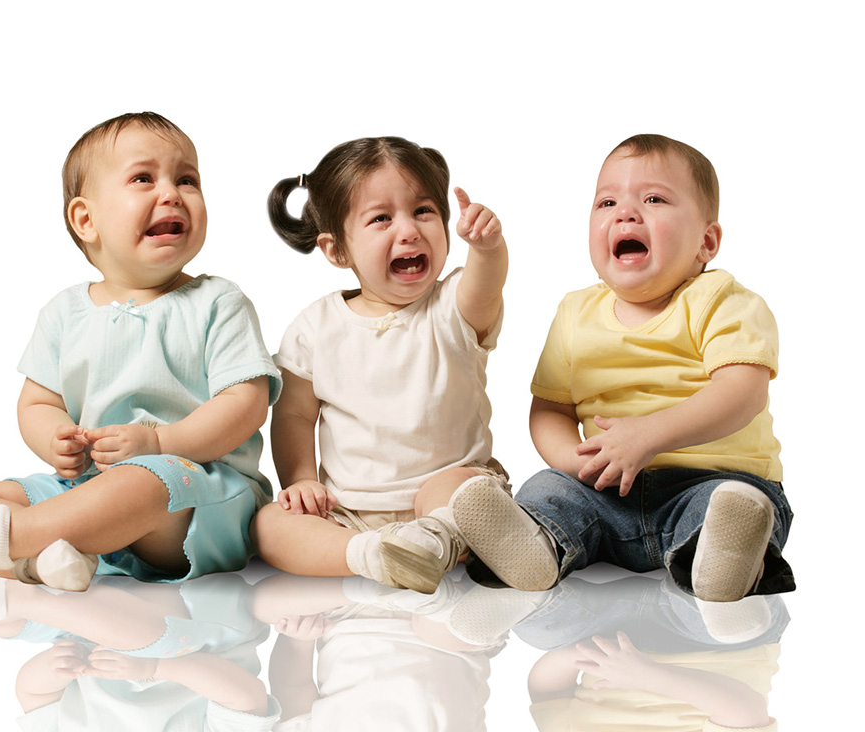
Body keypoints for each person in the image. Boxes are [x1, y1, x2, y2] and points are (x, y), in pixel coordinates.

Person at [0, 112, 281, 592]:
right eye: (143, 179)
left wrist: (160, 444)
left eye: (187, 180)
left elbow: (246, 404)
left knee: (138, 483)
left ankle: (14, 537)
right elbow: (38, 403)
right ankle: (48, 561)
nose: (171, 193)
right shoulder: (65, 312)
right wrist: (56, 440)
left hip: (197, 496)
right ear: (86, 219)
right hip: (90, 487)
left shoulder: (218, 301)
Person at [252, 136, 553, 595]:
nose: (409, 230)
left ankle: (435, 541)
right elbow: (293, 413)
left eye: (423, 211)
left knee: (459, 494)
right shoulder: (314, 327)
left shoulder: (452, 306)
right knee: (269, 526)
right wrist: (301, 481)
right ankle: (372, 554)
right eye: (381, 218)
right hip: (348, 510)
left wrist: (488, 250)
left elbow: (486, 284)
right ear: (336, 250)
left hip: (449, 490)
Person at [515, 134, 795, 601]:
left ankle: (720, 556)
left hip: (709, 480)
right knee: (545, 490)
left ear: (706, 241)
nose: (625, 213)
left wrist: (650, 434)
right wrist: (577, 462)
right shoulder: (574, 313)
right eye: (607, 202)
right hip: (606, 492)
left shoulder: (722, 301)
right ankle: (534, 548)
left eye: (654, 199)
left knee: (730, 504)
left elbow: (743, 392)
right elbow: (549, 410)